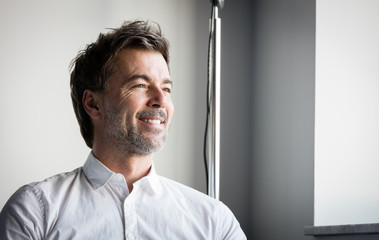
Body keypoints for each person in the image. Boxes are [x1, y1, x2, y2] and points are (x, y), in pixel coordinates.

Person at [0, 20, 246, 239]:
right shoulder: (34, 211)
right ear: (93, 104)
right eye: (140, 85)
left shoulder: (214, 222)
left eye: (167, 88)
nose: (160, 99)